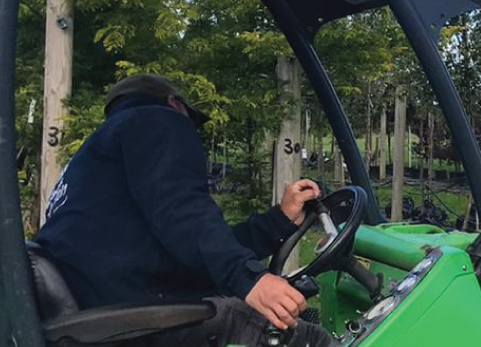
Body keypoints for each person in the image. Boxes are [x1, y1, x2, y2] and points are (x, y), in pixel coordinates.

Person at [35, 73, 332, 347]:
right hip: (129, 320)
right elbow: (184, 213)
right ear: (175, 104)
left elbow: (190, 245)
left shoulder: (94, 163)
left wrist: (278, 221)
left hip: (92, 316)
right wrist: (251, 279)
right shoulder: (155, 119)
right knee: (305, 337)